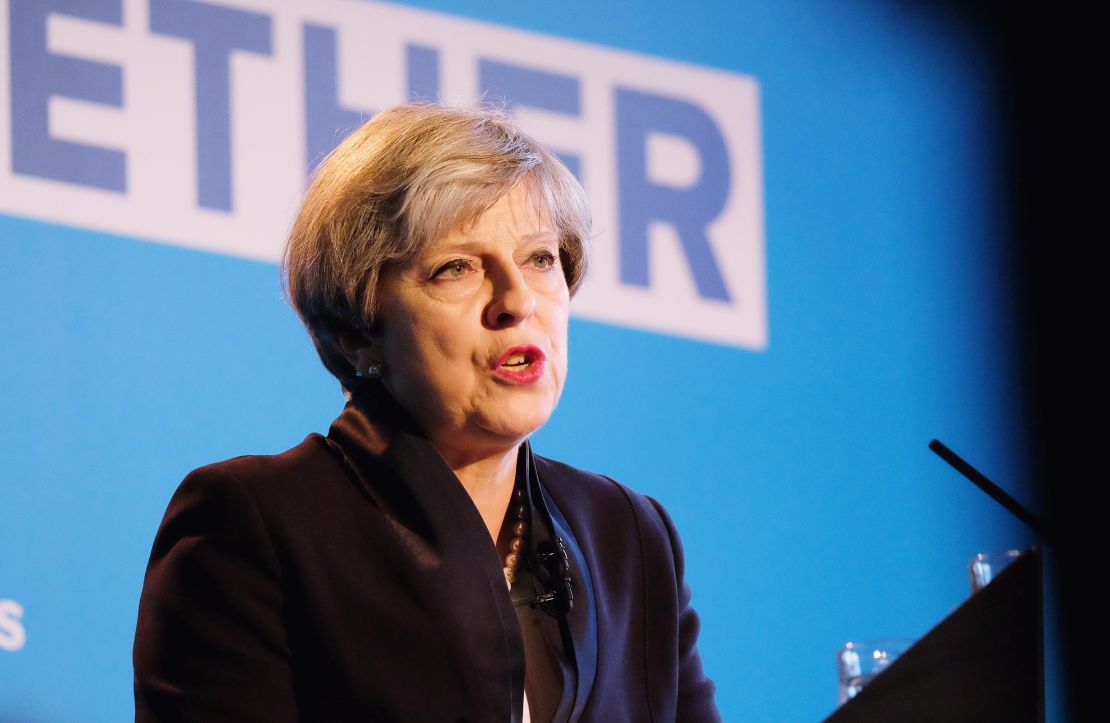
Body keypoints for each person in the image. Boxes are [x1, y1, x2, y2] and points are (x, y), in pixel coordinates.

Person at [133, 103, 720, 722]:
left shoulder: (628, 534)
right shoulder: (259, 522)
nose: (518, 300)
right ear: (359, 330)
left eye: (540, 258)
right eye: (456, 268)